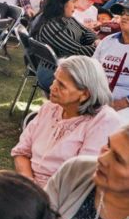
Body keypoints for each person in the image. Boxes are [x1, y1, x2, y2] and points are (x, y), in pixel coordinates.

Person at [12, 56, 119, 188]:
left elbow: (81, 176)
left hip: (63, 196)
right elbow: (21, 152)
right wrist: (29, 183)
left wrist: (39, 195)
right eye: (55, 79)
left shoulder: (104, 121)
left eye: (61, 85)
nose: (52, 87)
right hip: (29, 186)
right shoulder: (50, 107)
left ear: (85, 94)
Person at [33, 0, 97, 92]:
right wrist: (101, 48)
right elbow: (78, 51)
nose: (76, 6)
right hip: (53, 74)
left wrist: (96, 40)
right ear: (61, 3)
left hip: (68, 69)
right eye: (73, 1)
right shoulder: (51, 26)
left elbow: (86, 32)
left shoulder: (67, 18)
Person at [94, 2, 129, 126]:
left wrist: (124, 102)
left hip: (124, 104)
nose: (124, 17)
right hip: (98, 98)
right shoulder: (108, 41)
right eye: (123, 13)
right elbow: (93, 70)